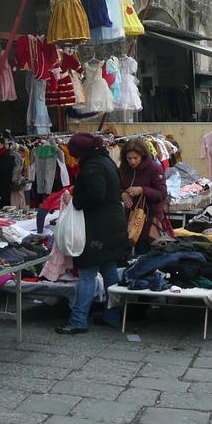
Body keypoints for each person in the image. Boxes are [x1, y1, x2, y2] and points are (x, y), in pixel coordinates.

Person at [56, 133, 128, 335]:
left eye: (75, 154)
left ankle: (78, 320)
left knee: (87, 273)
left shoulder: (92, 166)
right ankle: (112, 316)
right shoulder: (106, 160)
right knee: (109, 270)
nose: (75, 158)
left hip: (97, 228)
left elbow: (96, 194)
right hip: (113, 224)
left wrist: (76, 200)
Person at [119, 138, 169, 254]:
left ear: (142, 155)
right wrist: (122, 194)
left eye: (135, 158)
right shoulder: (124, 169)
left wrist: (142, 190)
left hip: (150, 218)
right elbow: (116, 187)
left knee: (146, 253)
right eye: (129, 158)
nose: (132, 161)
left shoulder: (154, 169)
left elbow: (162, 194)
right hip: (129, 218)